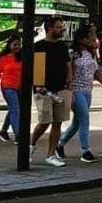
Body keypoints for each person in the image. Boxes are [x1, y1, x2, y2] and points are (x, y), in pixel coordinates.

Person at [59, 29, 102, 162]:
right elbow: (68, 73)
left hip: (88, 90)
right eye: (89, 38)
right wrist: (69, 90)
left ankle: (60, 144)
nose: (92, 41)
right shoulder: (73, 54)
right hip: (76, 90)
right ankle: (85, 150)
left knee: (76, 122)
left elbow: (97, 73)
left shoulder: (91, 54)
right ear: (81, 39)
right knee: (84, 119)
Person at [31, 16, 72, 167]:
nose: (62, 29)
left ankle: (50, 154)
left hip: (61, 88)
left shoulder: (62, 47)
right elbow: (34, 68)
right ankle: (31, 144)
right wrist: (37, 84)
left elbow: (68, 66)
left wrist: (69, 82)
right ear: (50, 28)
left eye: (62, 27)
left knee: (57, 122)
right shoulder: (39, 46)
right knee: (44, 121)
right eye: (59, 27)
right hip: (43, 89)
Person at [0, 35, 23, 141]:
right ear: (9, 45)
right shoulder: (4, 58)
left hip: (20, 87)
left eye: (19, 44)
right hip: (8, 86)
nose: (17, 46)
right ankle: (18, 135)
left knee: (13, 109)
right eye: (15, 44)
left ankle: (3, 131)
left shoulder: (23, 57)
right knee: (15, 109)